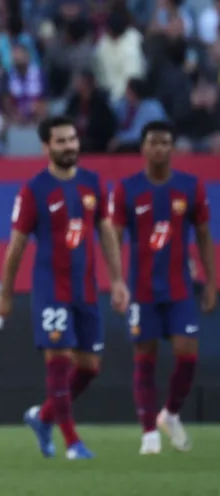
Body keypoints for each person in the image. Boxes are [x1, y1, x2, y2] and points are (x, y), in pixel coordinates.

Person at [0, 115, 130, 460]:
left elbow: (108, 235)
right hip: (50, 287)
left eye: (72, 139)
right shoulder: (34, 189)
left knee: (89, 367)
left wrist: (117, 281)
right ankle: (72, 442)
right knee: (59, 358)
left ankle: (42, 418)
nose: (70, 146)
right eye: (61, 141)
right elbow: (17, 246)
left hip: (86, 288)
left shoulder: (93, 183)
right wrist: (6, 293)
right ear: (46, 147)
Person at [111, 121, 215, 454]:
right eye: (153, 143)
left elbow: (202, 235)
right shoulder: (128, 189)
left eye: (165, 143)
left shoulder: (190, 187)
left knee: (187, 355)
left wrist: (212, 281)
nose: (159, 149)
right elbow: (113, 236)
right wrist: (116, 281)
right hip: (142, 289)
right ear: (142, 148)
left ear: (172, 148)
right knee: (145, 357)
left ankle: (169, 414)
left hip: (180, 288)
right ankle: (148, 434)